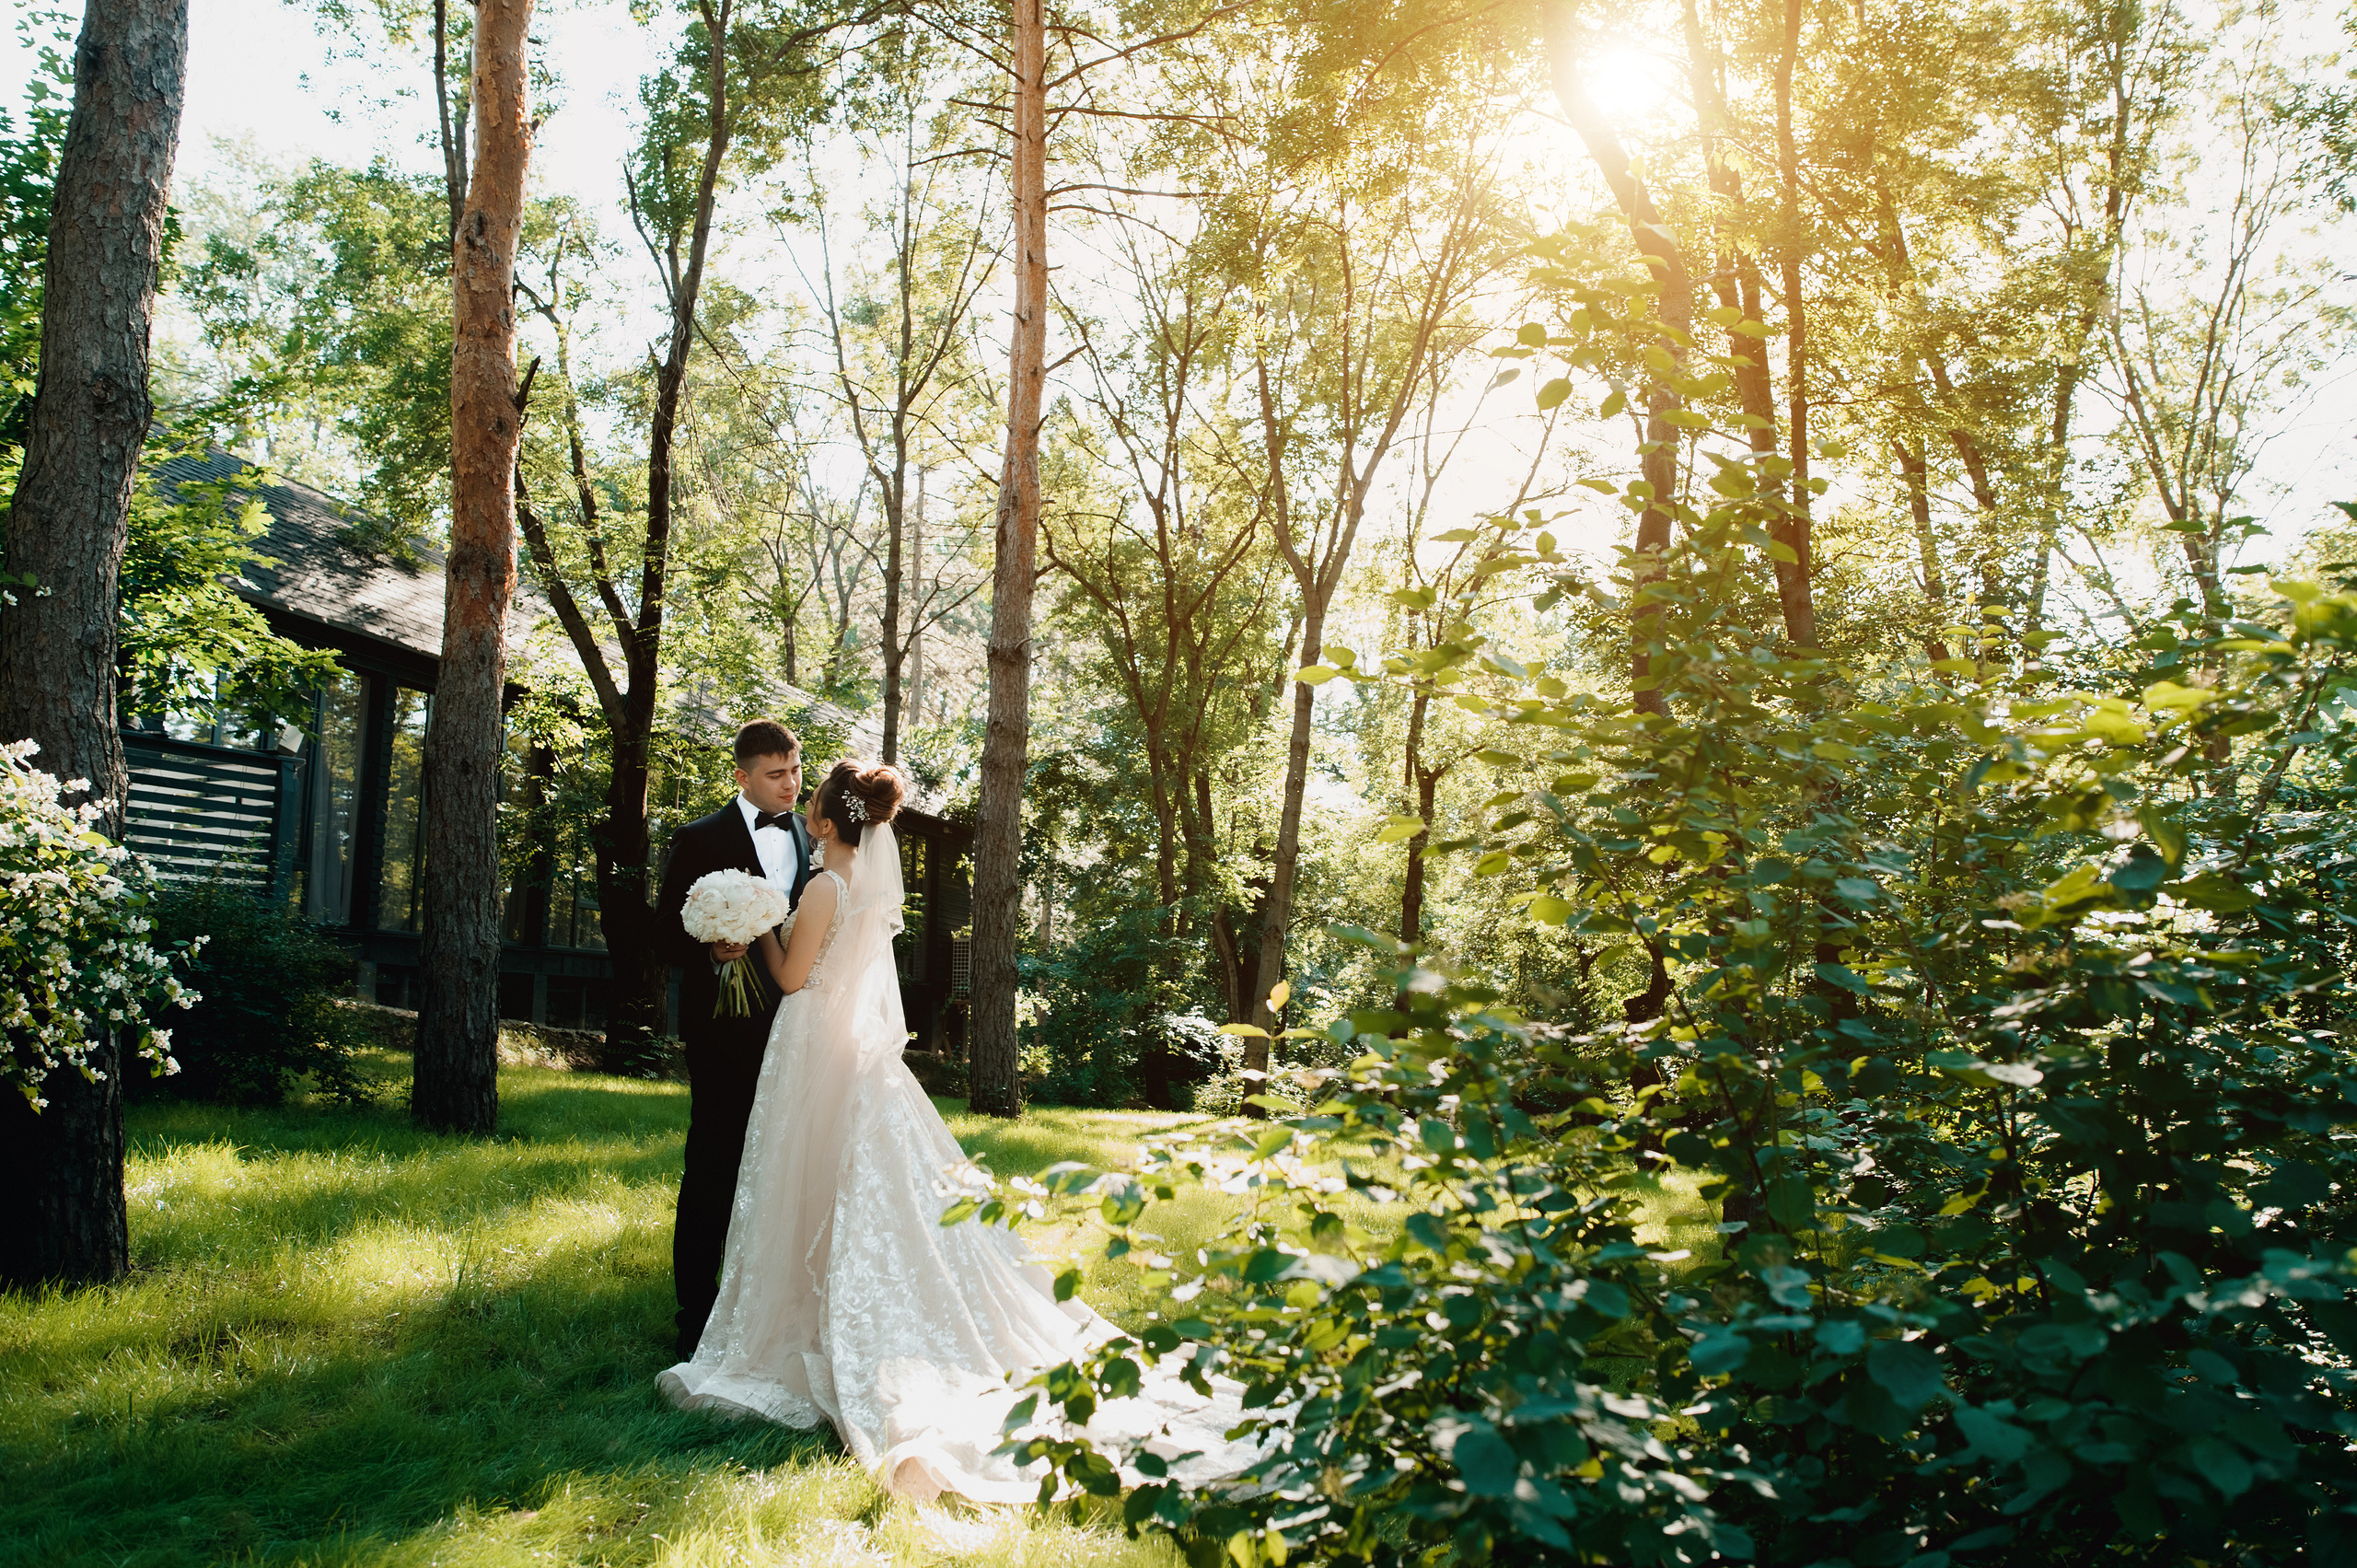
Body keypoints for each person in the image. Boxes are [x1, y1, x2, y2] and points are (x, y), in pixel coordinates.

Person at [658, 760, 1260, 1504]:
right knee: (846, 1180)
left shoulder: (822, 886)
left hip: (813, 1043)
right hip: (847, 1047)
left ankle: (809, 1312)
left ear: (824, 821)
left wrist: (753, 934)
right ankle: (820, 1305)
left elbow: (791, 977)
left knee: (805, 1174)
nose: (805, 804)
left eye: (811, 800)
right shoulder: (866, 889)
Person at [654, 720, 817, 1360]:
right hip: (721, 1032)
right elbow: (663, 930)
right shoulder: (698, 839)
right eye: (777, 774)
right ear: (742, 776)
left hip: (796, 1028)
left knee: (781, 1167)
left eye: (797, 770)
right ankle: (695, 1313)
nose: (791, 784)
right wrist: (709, 948)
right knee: (715, 1164)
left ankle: (766, 1308)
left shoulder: (812, 836)